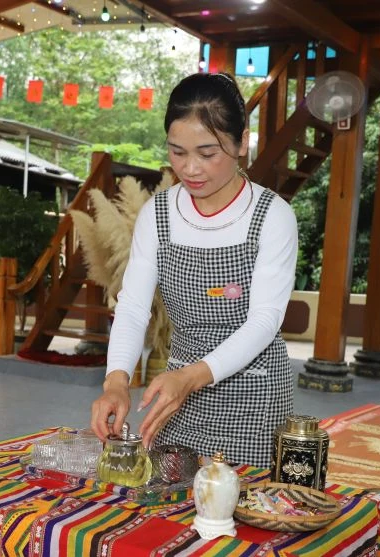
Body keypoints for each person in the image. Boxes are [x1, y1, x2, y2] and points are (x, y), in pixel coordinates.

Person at [90, 72, 298, 468]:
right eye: (177, 151)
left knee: (236, 499)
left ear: (242, 142)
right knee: (170, 496)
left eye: (207, 153)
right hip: (176, 392)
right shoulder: (158, 214)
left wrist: (190, 377)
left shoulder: (272, 216)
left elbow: (264, 322)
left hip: (252, 395)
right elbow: (133, 307)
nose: (190, 168)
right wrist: (116, 380)